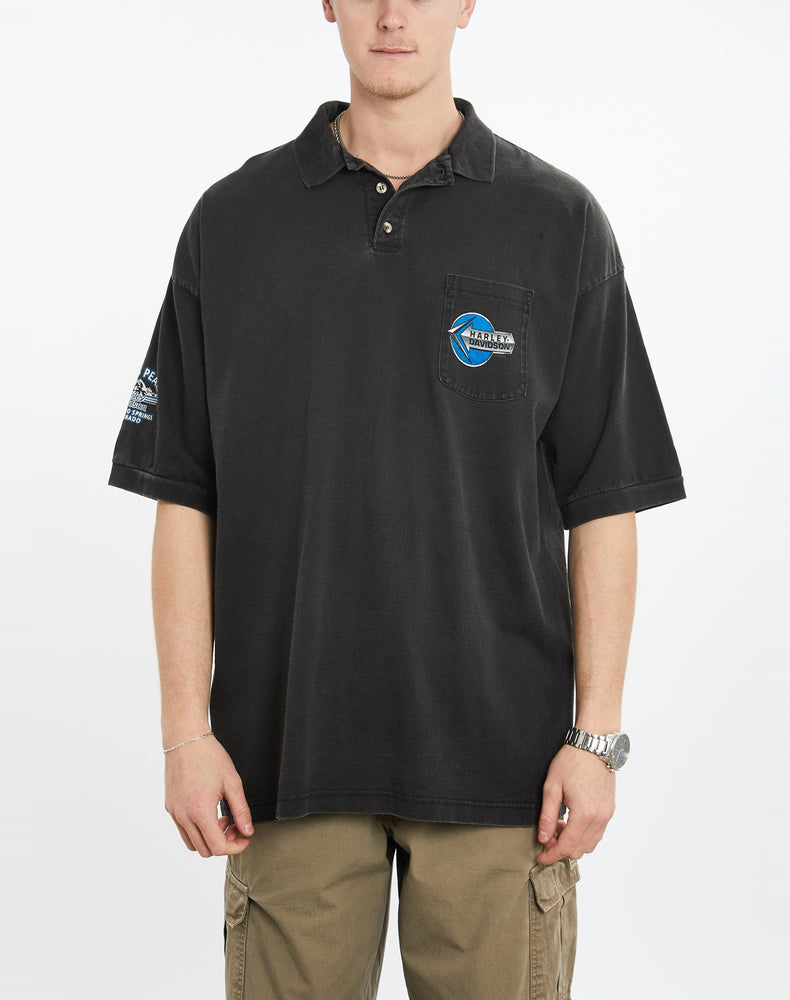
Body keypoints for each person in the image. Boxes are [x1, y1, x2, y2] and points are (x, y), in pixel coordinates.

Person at [108, 2, 685, 997]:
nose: (391, 14)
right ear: (326, 2)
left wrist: (595, 740)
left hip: (504, 773)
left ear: (466, 5)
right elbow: (181, 492)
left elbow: (604, 497)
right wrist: (184, 734)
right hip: (285, 759)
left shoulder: (557, 224)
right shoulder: (233, 225)